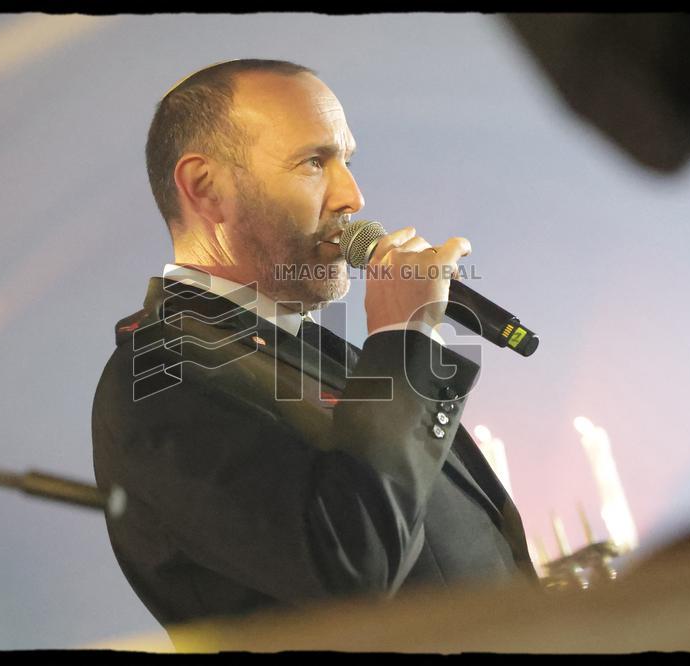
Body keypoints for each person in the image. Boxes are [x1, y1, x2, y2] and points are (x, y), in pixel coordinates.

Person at [91, 59, 538, 640]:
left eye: (346, 161)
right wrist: (402, 342)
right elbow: (350, 567)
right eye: (313, 162)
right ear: (205, 187)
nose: (352, 196)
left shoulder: (314, 349)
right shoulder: (160, 376)